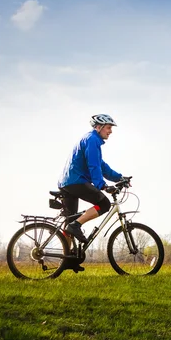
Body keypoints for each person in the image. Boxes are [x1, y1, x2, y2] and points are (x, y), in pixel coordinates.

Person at [58, 114, 128, 270]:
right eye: (109, 128)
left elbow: (102, 166)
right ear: (99, 127)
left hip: (68, 183)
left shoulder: (91, 140)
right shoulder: (92, 140)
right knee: (104, 203)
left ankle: (67, 260)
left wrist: (119, 177)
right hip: (76, 181)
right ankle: (76, 225)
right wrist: (102, 186)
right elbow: (94, 166)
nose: (110, 131)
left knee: (68, 221)